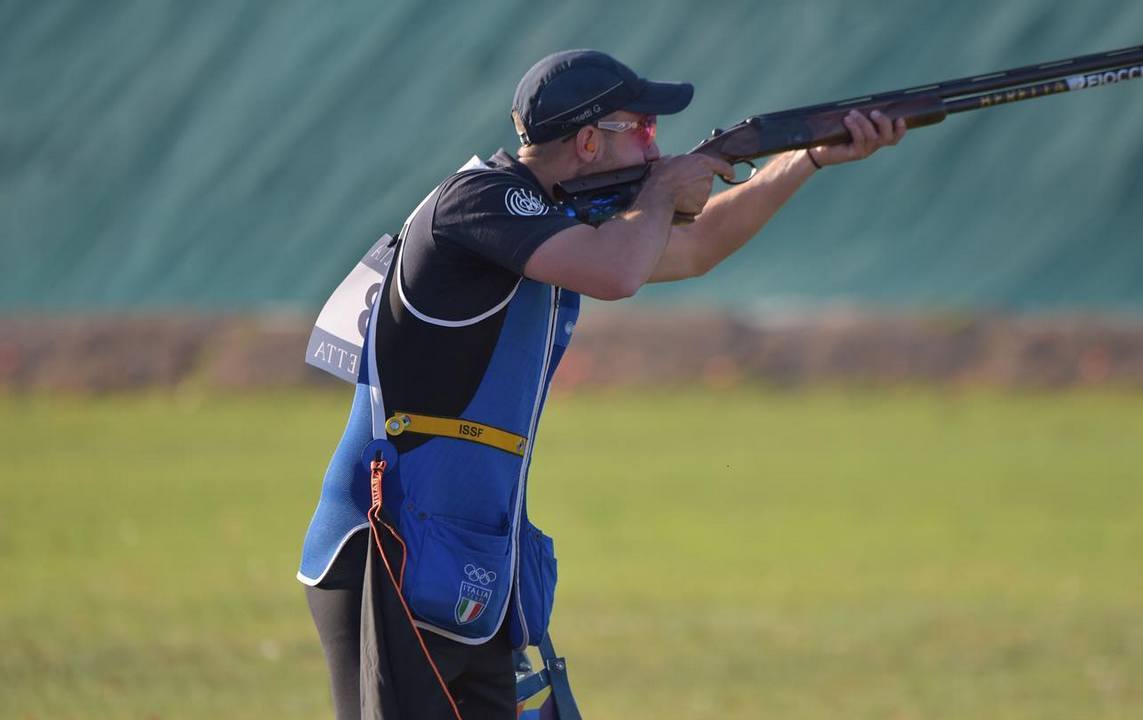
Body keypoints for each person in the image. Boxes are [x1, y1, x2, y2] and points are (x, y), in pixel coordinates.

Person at [296, 49, 906, 720]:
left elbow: (699, 248)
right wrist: (660, 193)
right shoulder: (480, 200)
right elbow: (617, 273)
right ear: (588, 141)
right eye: (640, 128)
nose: (657, 143)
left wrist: (809, 156)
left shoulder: (549, 217)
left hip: (465, 549)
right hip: (393, 545)